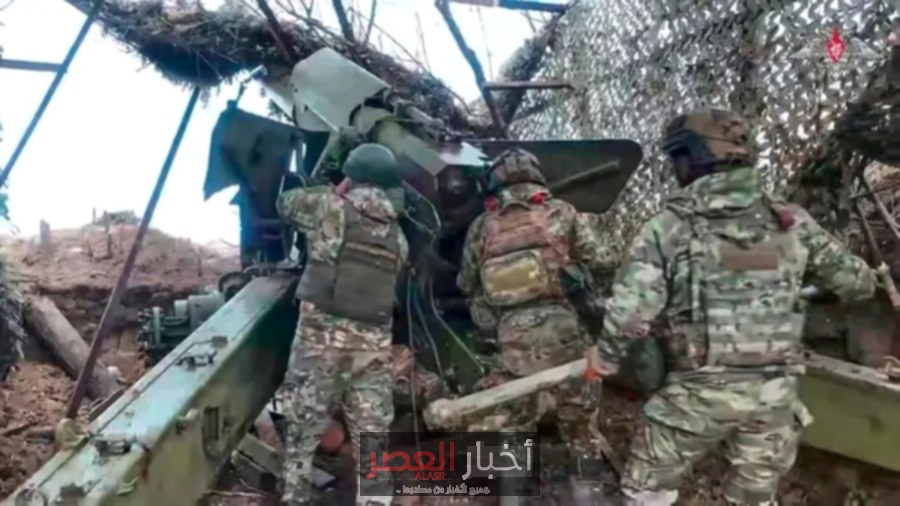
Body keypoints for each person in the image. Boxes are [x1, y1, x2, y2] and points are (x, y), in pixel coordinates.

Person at [584, 109, 878, 506]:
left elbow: (631, 314)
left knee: (647, 492)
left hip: (696, 397)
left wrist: (603, 359)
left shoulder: (670, 227)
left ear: (692, 157)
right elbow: (857, 283)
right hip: (772, 397)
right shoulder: (792, 222)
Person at [457, 147, 616, 501]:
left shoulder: (482, 227)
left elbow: (466, 283)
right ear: (537, 175)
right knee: (580, 428)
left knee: (516, 428)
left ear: (494, 183)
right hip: (566, 337)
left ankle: (512, 497)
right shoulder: (562, 212)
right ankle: (587, 496)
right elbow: (603, 260)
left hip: (513, 345)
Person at [276, 143, 408, 506]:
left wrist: (327, 188)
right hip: (371, 354)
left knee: (302, 435)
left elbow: (284, 203)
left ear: (351, 177)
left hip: (320, 347)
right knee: (372, 441)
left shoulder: (328, 208)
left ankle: (295, 499)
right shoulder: (398, 238)